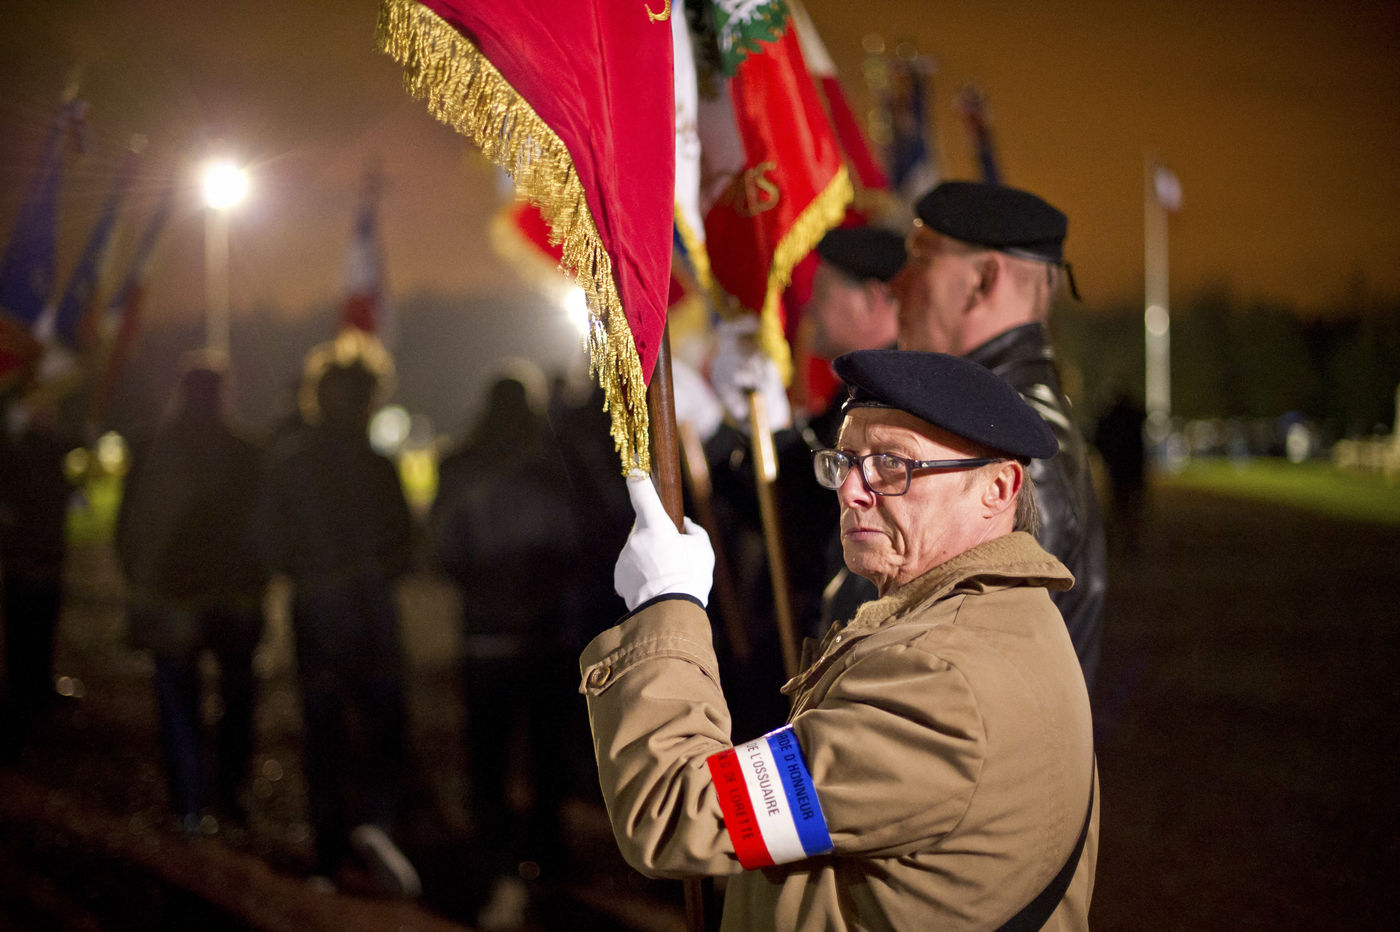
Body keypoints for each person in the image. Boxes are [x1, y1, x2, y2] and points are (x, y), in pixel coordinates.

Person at [582, 350, 1098, 931]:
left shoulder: (941, 681)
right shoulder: (1009, 616)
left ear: (998, 488)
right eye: (845, 461)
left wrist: (664, 608)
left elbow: (675, 810)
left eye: (892, 464)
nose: (851, 490)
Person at [891, 180, 1107, 691]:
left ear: (983, 279)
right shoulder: (996, 419)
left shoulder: (1014, 438)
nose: (896, 283)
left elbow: (959, 661)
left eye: (920, 258)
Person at [701, 225, 908, 739]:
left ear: (873, 298)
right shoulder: (861, 391)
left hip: (834, 649)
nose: (811, 308)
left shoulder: (894, 402)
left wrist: (729, 435)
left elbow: (798, 508)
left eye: (825, 291)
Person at [253, 344, 420, 897]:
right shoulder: (377, 467)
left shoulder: (291, 465)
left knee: (324, 734)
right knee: (382, 729)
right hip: (371, 613)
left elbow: (266, 543)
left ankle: (329, 853)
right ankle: (375, 829)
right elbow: (407, 544)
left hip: (319, 612)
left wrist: (309, 571)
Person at [431, 370, 580, 928]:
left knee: (489, 751)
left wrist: (483, 585)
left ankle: (494, 850)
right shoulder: (554, 468)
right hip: (541, 636)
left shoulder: (461, 468)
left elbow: (442, 549)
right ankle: (545, 850)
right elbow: (577, 541)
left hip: (488, 636)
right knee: (544, 750)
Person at [115, 356, 267, 833]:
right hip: (234, 598)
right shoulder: (246, 453)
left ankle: (189, 802)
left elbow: (130, 526)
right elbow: (263, 529)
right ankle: (231, 791)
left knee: (178, 699)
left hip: (172, 596)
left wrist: (139, 580)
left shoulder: (153, 451)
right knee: (236, 696)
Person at [0, 394, 76, 761]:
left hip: (45, 555)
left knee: (42, 625)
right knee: (23, 628)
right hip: (26, 556)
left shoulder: (50, 448)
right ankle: (22, 695)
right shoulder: (19, 451)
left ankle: (37, 686)